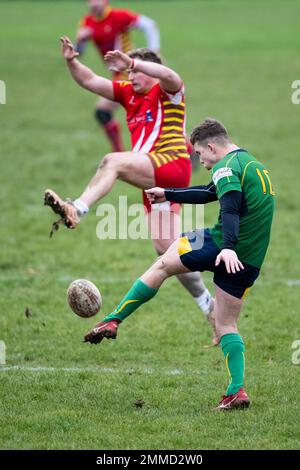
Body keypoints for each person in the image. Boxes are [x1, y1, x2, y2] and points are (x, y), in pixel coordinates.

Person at [84, 118, 275, 410]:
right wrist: (168, 193)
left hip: (222, 245)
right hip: (248, 260)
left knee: (162, 264)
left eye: (199, 154)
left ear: (212, 146)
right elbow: (212, 193)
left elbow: (231, 207)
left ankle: (113, 319)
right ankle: (237, 390)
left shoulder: (225, 167)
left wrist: (226, 248)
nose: (199, 160)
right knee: (225, 323)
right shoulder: (251, 165)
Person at [44, 38, 217, 343]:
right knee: (168, 251)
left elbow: (172, 76)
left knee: (113, 161)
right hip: (153, 177)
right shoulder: (128, 94)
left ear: (151, 71)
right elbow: (89, 80)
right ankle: (209, 305)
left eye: (135, 72)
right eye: (128, 73)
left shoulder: (167, 91)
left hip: (171, 165)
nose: (130, 77)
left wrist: (133, 62)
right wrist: (72, 61)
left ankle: (77, 209)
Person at [75, 0, 160, 152]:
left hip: (131, 73)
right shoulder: (87, 22)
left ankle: (119, 154)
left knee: (103, 111)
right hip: (119, 74)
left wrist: (154, 51)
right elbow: (78, 53)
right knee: (157, 114)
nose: (94, 3)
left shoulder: (119, 16)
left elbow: (149, 25)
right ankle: (187, 149)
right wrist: (80, 41)